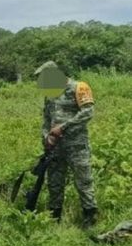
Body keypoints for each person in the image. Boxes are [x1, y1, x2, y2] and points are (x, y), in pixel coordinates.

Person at [37, 61, 97, 227]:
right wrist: (46, 138)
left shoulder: (79, 87)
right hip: (55, 148)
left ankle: (89, 217)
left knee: (83, 181)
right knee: (54, 183)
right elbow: (47, 119)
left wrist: (63, 127)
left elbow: (88, 112)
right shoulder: (50, 93)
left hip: (76, 146)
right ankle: (54, 218)